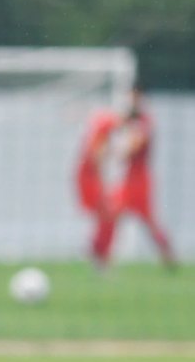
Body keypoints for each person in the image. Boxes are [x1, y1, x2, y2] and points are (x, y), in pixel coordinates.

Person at [92, 86, 175, 268]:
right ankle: (101, 256)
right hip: (129, 179)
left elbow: (131, 147)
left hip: (140, 181)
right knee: (111, 214)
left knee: (144, 220)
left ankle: (167, 253)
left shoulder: (143, 122)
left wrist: (110, 149)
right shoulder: (130, 122)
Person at [75, 109, 120, 264]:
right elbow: (97, 160)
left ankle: (97, 250)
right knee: (108, 215)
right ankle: (97, 250)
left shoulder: (96, 138)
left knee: (107, 216)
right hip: (90, 181)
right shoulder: (100, 139)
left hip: (89, 180)